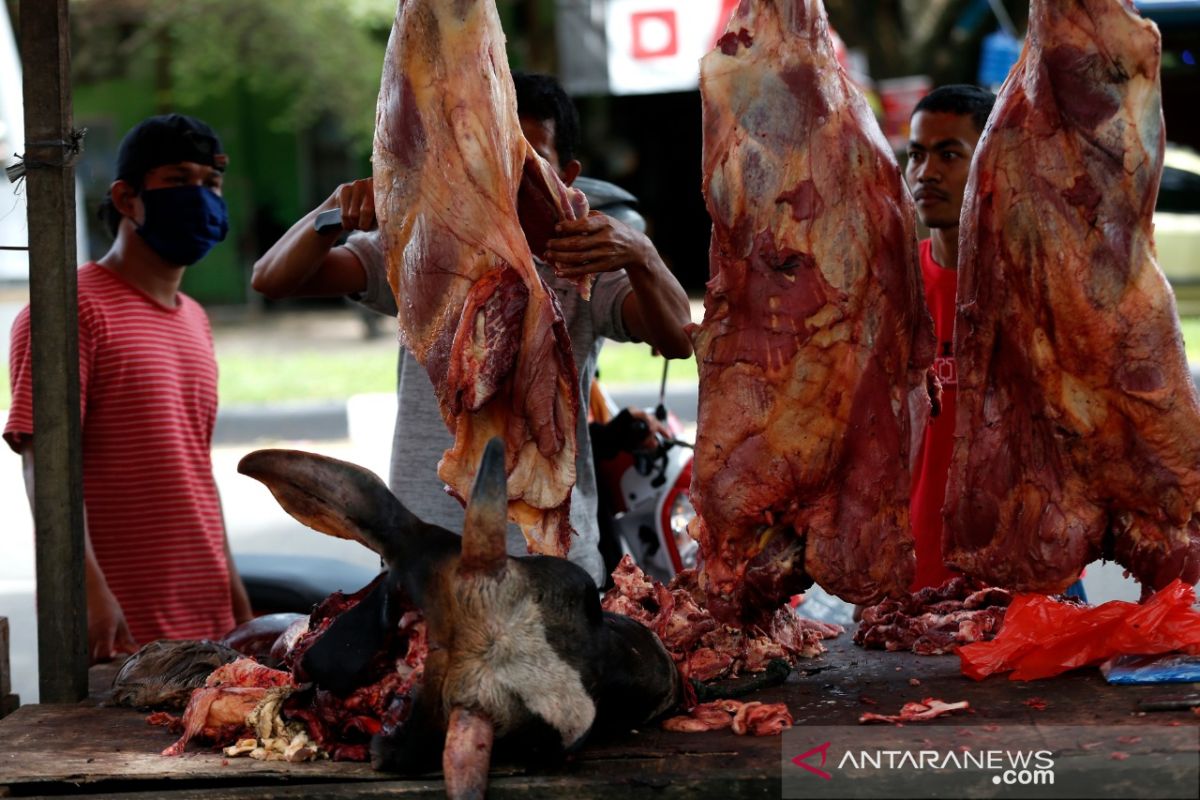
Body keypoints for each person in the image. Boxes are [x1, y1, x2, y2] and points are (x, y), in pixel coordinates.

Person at [251, 73, 692, 586]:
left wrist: (641, 255)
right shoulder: (425, 251)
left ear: (567, 174)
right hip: (426, 563)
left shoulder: (581, 261)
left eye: (531, 161)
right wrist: (335, 210)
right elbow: (272, 279)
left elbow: (677, 339)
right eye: (491, 156)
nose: (507, 177)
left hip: (551, 569)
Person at [4, 114, 253, 663]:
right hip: (118, 629)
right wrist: (87, 590)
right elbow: (43, 466)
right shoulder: (69, 311)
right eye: (178, 179)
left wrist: (238, 604)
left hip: (208, 619)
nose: (201, 195)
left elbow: (194, 471)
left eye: (211, 182)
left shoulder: (195, 318)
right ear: (126, 198)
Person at [905, 85, 1087, 600]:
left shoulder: (1037, 283)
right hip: (916, 581)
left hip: (1033, 580)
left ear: (991, 165)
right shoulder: (894, 283)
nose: (926, 172)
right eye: (917, 155)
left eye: (949, 155)